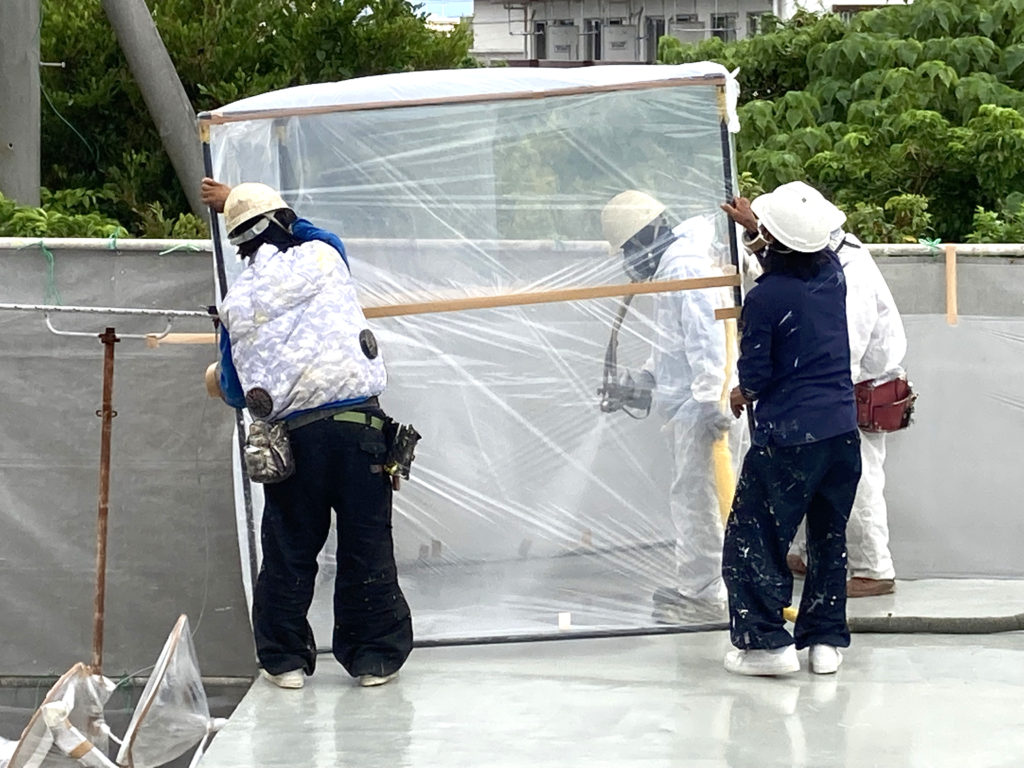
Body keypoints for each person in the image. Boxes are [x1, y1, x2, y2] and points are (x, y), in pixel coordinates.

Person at [200, 178, 413, 689]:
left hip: (292, 443)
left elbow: (233, 388)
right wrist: (253, 200)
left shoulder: (234, 305)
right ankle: (373, 659)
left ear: (240, 245)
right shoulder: (324, 256)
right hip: (359, 429)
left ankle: (286, 661)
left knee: (290, 549)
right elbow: (313, 231)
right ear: (285, 223)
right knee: (366, 544)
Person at [726, 187, 907, 598]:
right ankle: (812, 554)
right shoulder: (829, 258)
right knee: (823, 480)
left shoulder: (850, 270)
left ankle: (873, 567)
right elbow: (787, 263)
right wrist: (757, 230)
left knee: (857, 481)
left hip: (852, 388)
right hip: (836, 390)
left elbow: (845, 350)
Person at [720, 181, 861, 676]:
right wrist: (760, 229)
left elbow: (756, 376)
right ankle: (825, 643)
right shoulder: (833, 275)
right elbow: (798, 256)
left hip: (788, 440)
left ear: (775, 243)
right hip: (841, 434)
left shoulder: (764, 300)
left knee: (754, 536)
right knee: (828, 536)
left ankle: (765, 646)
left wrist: (741, 393)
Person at [601, 190, 742, 624]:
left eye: (628, 249)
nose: (629, 260)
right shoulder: (677, 262)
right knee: (695, 498)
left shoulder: (683, 266)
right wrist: (645, 378)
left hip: (702, 411)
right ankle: (703, 586)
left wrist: (708, 406)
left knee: (698, 502)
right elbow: (672, 343)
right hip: (694, 406)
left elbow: (707, 342)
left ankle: (703, 593)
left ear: (645, 237)